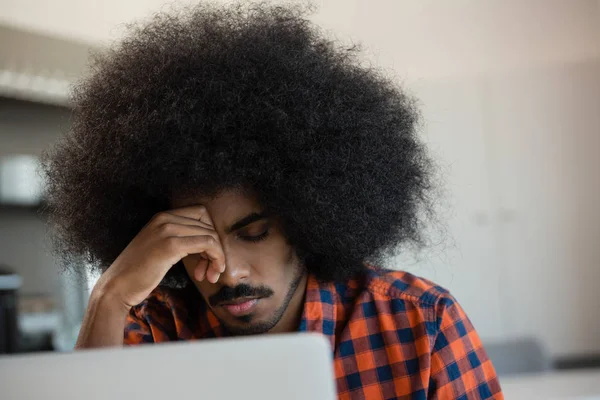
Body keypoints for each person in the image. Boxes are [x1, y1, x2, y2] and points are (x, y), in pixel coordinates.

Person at [41, 2, 503, 399]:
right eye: (190, 243)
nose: (227, 271)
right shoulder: (155, 329)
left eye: (254, 232)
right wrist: (110, 294)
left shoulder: (417, 322)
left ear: (309, 222)